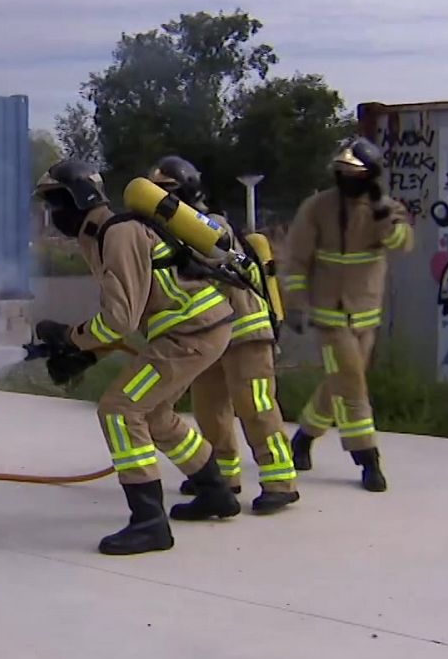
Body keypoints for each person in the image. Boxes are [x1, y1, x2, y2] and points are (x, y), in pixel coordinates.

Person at [31, 157, 242, 555]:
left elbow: (119, 322)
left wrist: (71, 340)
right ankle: (216, 493)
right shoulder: (102, 235)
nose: (52, 213)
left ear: (77, 198)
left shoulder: (119, 234)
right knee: (156, 415)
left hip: (189, 337)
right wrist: (84, 353)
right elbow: (128, 315)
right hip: (195, 332)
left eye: (55, 203)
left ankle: (149, 523)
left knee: (119, 408)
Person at [145, 157, 300, 515]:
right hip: (210, 334)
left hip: (246, 330)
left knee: (255, 405)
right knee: (209, 408)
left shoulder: (210, 226)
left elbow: (205, 259)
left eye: (166, 194)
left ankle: (280, 480)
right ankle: (223, 475)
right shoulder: (173, 234)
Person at [278, 137, 414, 492]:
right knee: (353, 387)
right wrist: (293, 302)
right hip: (330, 316)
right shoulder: (317, 208)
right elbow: (294, 259)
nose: (345, 177)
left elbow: (403, 243)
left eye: (352, 172)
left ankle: (304, 438)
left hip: (366, 316)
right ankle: (368, 459)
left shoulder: (385, 208)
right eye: (340, 171)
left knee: (338, 382)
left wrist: (386, 220)